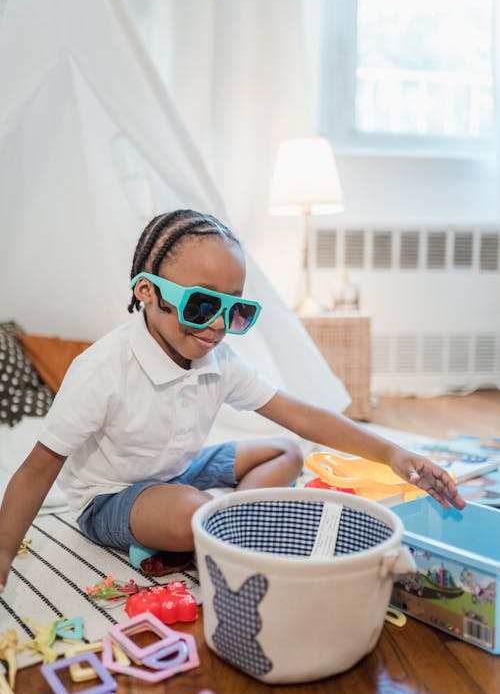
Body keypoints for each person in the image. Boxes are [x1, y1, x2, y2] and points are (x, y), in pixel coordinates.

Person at [0, 209, 465, 593]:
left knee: (284, 452)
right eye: (202, 306)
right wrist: (3, 553)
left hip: (176, 468)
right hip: (110, 498)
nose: (218, 325)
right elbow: (39, 468)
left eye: (236, 309)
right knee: (191, 510)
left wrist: (390, 453)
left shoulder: (217, 360)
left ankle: (223, 528)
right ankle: (212, 528)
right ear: (147, 292)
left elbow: (301, 415)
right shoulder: (102, 371)